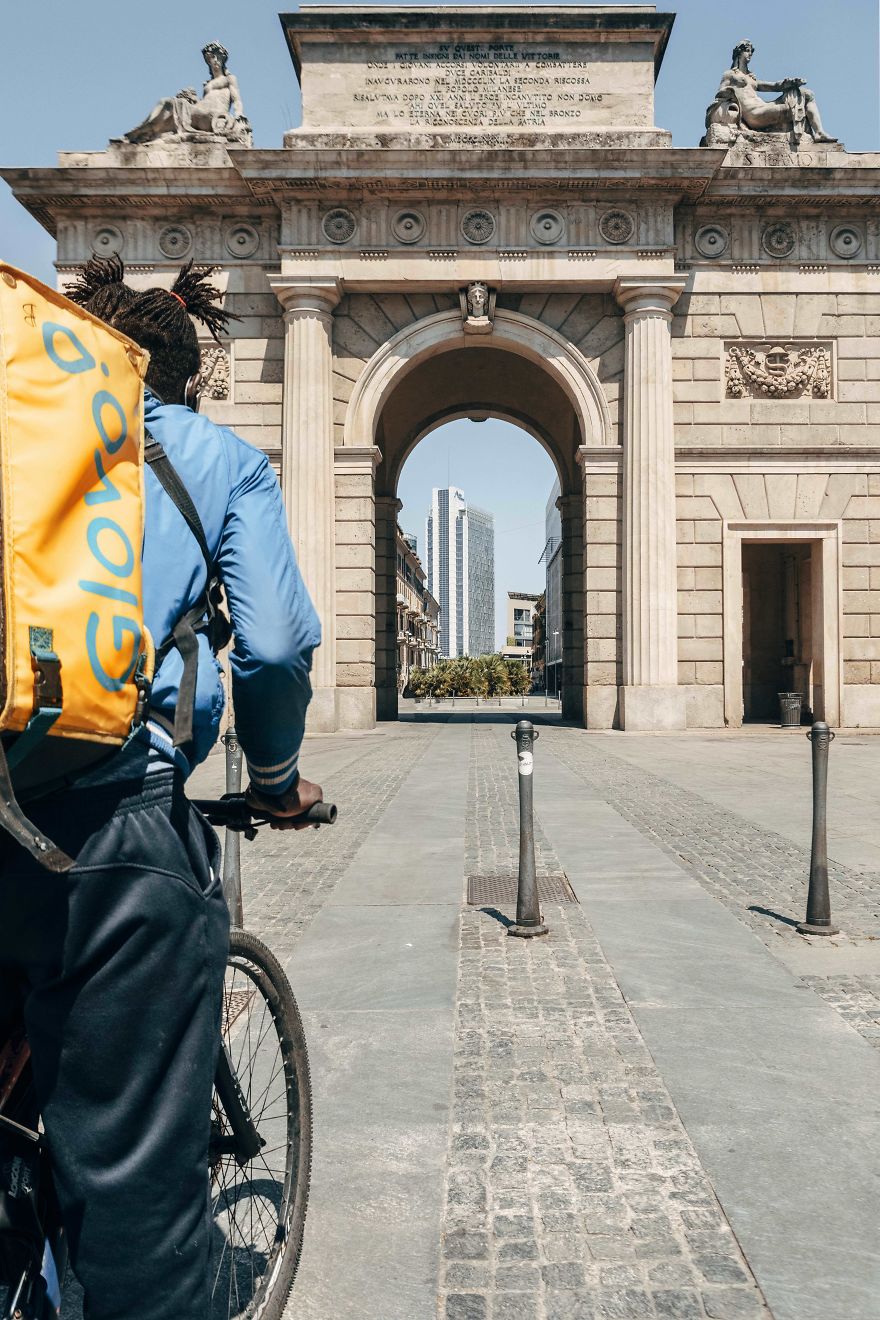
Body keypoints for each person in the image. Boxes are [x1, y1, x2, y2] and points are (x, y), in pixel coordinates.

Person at [0, 254, 322, 1320]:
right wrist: (274, 780)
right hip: (108, 832)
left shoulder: (15, 431)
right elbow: (271, 648)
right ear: (190, 373)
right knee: (136, 1177)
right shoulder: (210, 458)